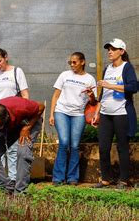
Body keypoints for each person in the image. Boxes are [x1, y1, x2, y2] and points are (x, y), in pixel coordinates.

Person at [92, 38, 137, 189]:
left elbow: (133, 87)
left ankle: (123, 180)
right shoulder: (107, 69)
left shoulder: (127, 67)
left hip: (122, 113)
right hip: (105, 114)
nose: (110, 51)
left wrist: (110, 85)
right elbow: (103, 93)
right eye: (108, 49)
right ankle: (106, 179)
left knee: (122, 147)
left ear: (121, 51)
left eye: (113, 49)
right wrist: (97, 112)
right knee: (103, 147)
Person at [49, 52, 96, 186]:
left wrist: (91, 95)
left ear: (83, 62)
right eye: (70, 62)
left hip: (78, 114)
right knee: (64, 142)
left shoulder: (89, 79)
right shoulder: (64, 75)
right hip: (61, 112)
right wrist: (52, 114)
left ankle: (72, 178)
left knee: (74, 145)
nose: (72, 65)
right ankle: (58, 178)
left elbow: (93, 102)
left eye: (74, 62)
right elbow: (56, 95)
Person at [0, 48, 29, 185]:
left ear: (6, 57)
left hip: (12, 117)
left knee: (13, 149)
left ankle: (14, 179)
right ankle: (2, 181)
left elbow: (25, 95)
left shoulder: (17, 72)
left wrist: (23, 116)